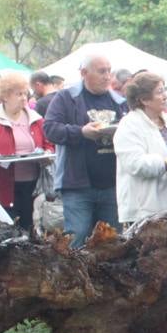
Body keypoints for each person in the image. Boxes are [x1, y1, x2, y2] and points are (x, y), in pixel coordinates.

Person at [44, 53, 125, 246]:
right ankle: (74, 276)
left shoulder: (119, 101)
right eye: (101, 71)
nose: (107, 76)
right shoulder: (66, 97)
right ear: (84, 73)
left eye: (109, 71)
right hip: (77, 185)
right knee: (77, 236)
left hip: (112, 184)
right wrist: (81, 132)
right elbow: (50, 128)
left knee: (110, 240)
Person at [0, 71, 50, 232]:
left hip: (32, 185)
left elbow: (49, 143)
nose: (23, 98)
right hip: (2, 184)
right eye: (18, 94)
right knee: (6, 228)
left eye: (25, 94)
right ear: (5, 96)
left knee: (29, 228)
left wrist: (47, 154)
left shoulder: (36, 118)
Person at [113, 71, 167, 227]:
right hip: (144, 210)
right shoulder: (129, 125)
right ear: (144, 99)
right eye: (160, 92)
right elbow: (135, 164)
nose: (165, 96)